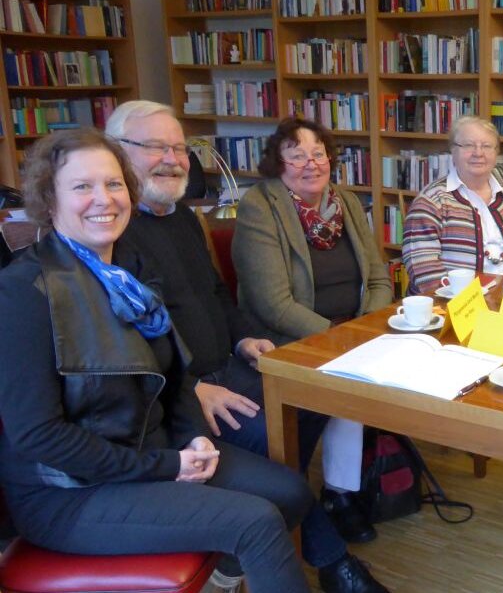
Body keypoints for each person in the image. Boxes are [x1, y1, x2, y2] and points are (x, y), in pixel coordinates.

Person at [0, 129, 313, 593]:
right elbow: (39, 436)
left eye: (113, 184)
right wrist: (167, 467)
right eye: (82, 187)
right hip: (69, 491)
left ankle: (221, 580)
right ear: (50, 199)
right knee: (255, 522)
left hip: (153, 448)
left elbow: (176, 373)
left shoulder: (130, 270)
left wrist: (196, 440)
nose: (102, 199)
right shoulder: (23, 291)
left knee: (291, 492)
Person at [107, 102, 388, 593]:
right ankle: (331, 562)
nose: (172, 158)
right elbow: (126, 343)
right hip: (189, 390)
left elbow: (218, 295)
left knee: (313, 400)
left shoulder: (182, 219)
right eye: (156, 147)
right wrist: (191, 391)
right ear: (117, 153)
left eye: (178, 147)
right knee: (274, 447)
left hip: (231, 363)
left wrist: (243, 338)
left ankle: (273, 533)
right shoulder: (112, 232)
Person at [232, 118, 394, 549]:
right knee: (349, 377)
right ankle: (328, 498)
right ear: (277, 161)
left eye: (318, 152)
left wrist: (366, 328)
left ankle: (345, 489)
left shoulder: (346, 201)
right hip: (291, 337)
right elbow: (273, 303)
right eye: (296, 153)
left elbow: (379, 278)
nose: (311, 163)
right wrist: (339, 339)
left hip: (354, 330)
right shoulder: (259, 206)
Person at [402, 116, 503, 293]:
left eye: (487, 146)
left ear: (497, 153)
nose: (478, 153)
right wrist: (472, 305)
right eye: (468, 145)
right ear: (453, 151)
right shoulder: (431, 202)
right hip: (456, 307)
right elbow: (424, 271)